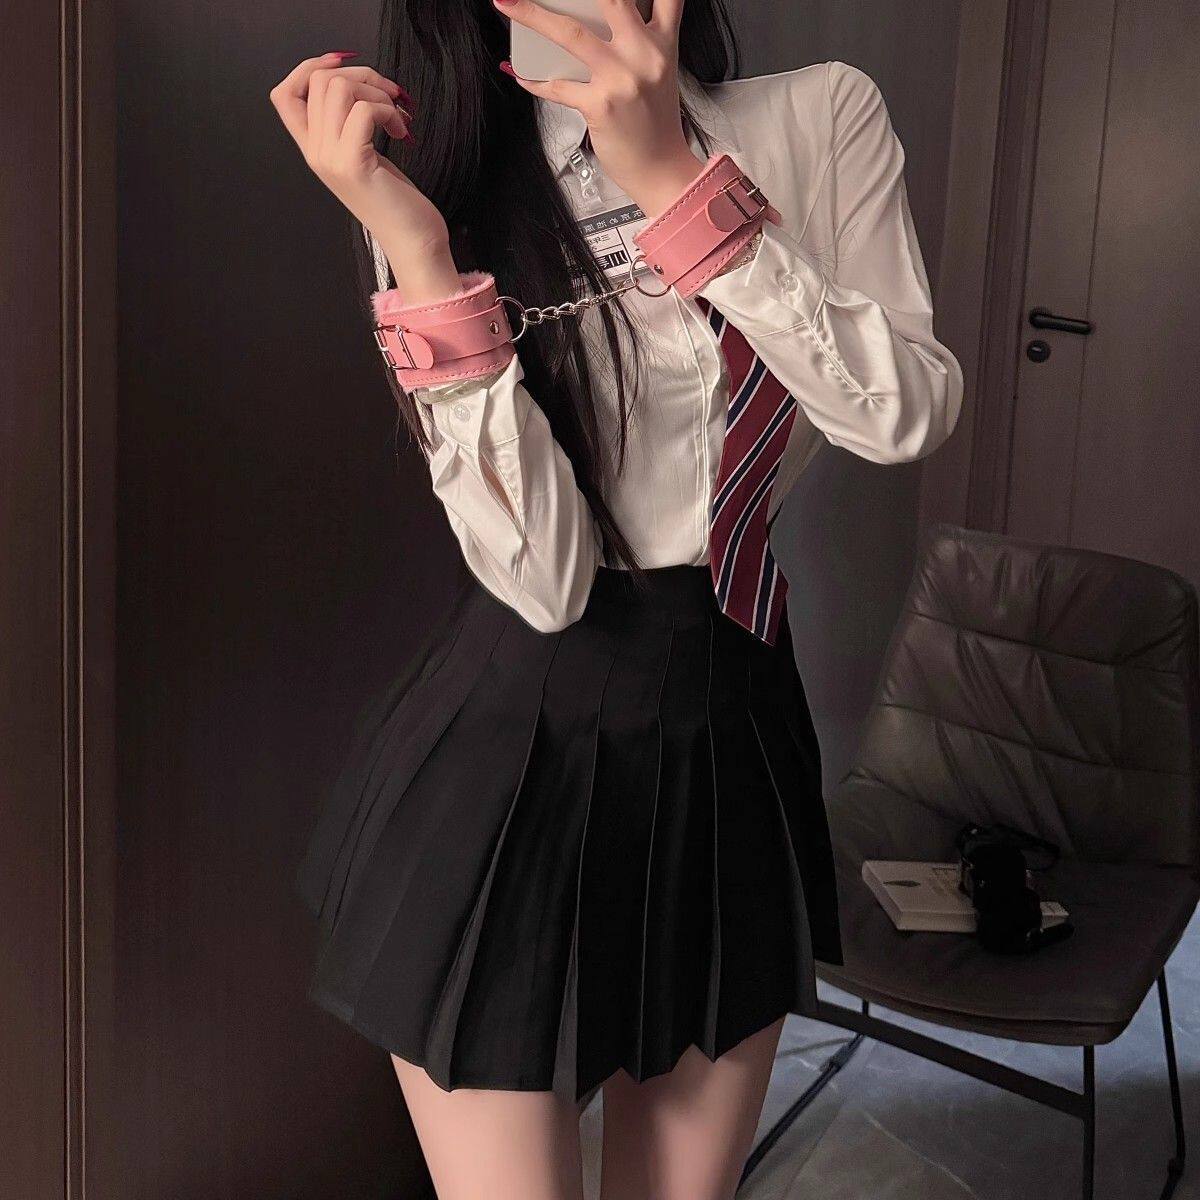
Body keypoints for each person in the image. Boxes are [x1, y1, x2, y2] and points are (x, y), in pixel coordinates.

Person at [270, 1, 963, 1196]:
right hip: (515, 746)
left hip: (732, 720)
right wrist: (419, 254)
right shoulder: (446, 190)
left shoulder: (821, 115)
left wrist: (679, 186)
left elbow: (904, 414)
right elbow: (541, 579)